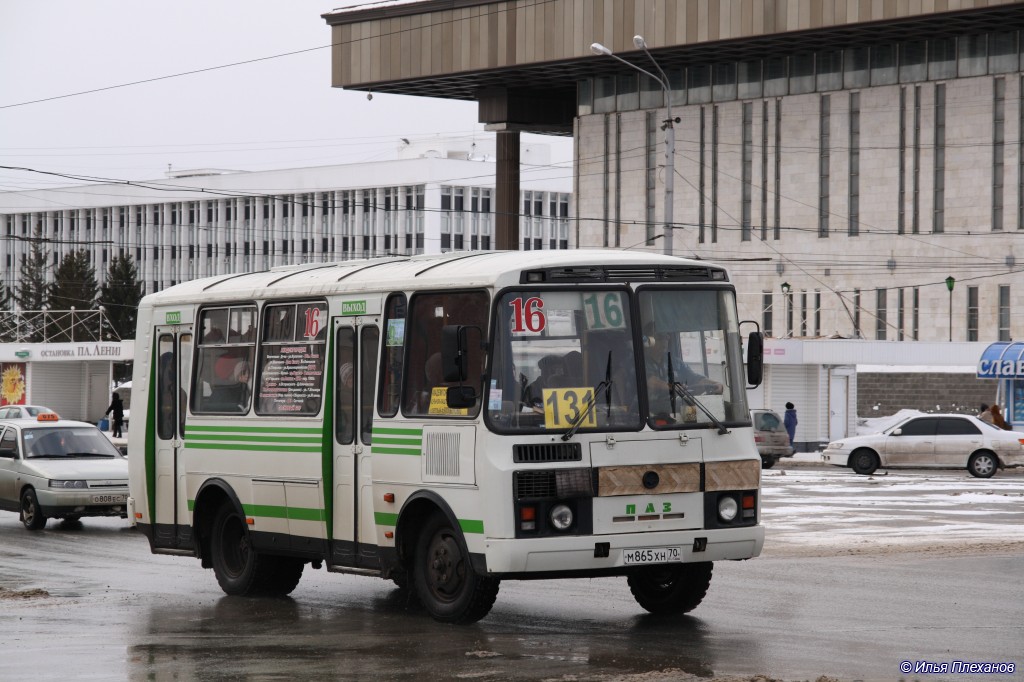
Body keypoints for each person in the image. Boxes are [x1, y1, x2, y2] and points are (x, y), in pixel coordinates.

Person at [643, 324, 723, 418]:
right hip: (649, 411)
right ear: (647, 341)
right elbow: (651, 382)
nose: (665, 341)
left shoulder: (675, 362)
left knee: (700, 410)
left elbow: (694, 378)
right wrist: (673, 387)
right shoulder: (641, 362)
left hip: (674, 408)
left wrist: (715, 384)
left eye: (666, 337)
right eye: (660, 338)